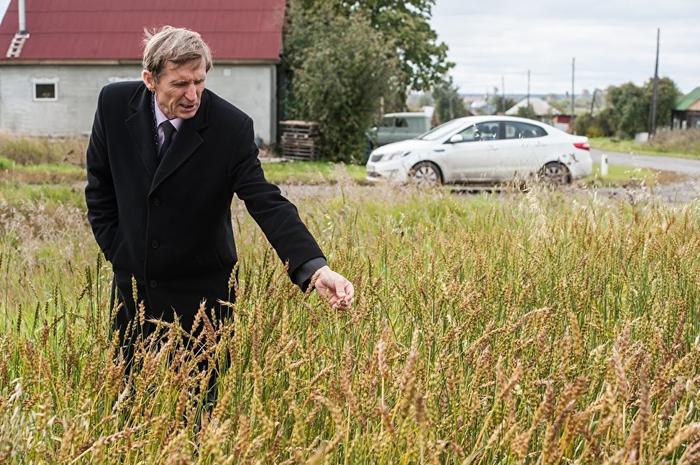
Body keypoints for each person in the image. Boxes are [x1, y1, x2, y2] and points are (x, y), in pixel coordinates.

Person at [85, 26, 354, 368]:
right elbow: (99, 186)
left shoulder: (231, 127)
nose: (192, 94)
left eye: (199, 81)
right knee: (130, 405)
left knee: (199, 412)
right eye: (180, 83)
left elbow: (265, 200)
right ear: (150, 80)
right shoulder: (113, 105)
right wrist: (120, 252)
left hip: (202, 302)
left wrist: (316, 269)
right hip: (133, 294)